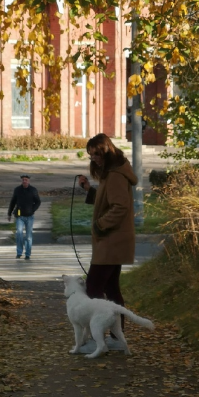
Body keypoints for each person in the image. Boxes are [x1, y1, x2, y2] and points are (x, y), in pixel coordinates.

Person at [78, 133, 138, 337]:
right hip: (112, 239)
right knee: (111, 290)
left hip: (112, 239)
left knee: (94, 286)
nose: (93, 158)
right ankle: (116, 336)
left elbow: (120, 206)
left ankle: (102, 334)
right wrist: (89, 189)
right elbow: (108, 200)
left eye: (96, 153)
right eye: (90, 155)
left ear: (106, 151)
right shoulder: (111, 173)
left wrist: (99, 226)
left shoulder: (115, 175)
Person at [7, 174, 41, 259]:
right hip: (19, 216)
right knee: (19, 233)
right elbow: (13, 202)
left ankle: (28, 254)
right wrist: (9, 213)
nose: (24, 181)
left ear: (28, 181)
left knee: (28, 236)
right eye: (23, 180)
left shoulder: (33, 190)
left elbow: (38, 202)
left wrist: (33, 210)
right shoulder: (17, 190)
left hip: (29, 216)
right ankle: (19, 252)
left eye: (26, 180)